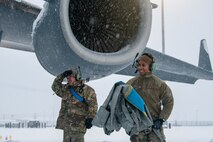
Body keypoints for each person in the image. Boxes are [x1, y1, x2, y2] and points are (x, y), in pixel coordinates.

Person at [127, 53, 174, 142]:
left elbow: (169, 102)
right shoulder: (131, 84)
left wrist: (161, 119)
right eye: (139, 65)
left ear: (151, 67)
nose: (140, 67)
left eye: (143, 65)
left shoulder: (160, 84)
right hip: (138, 128)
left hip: (155, 127)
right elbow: (123, 102)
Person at [52, 67, 98, 142]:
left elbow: (93, 105)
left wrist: (91, 118)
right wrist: (62, 75)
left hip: (78, 126)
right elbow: (54, 86)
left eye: (71, 77)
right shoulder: (66, 89)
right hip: (67, 127)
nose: (68, 79)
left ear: (77, 77)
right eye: (67, 77)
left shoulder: (87, 90)